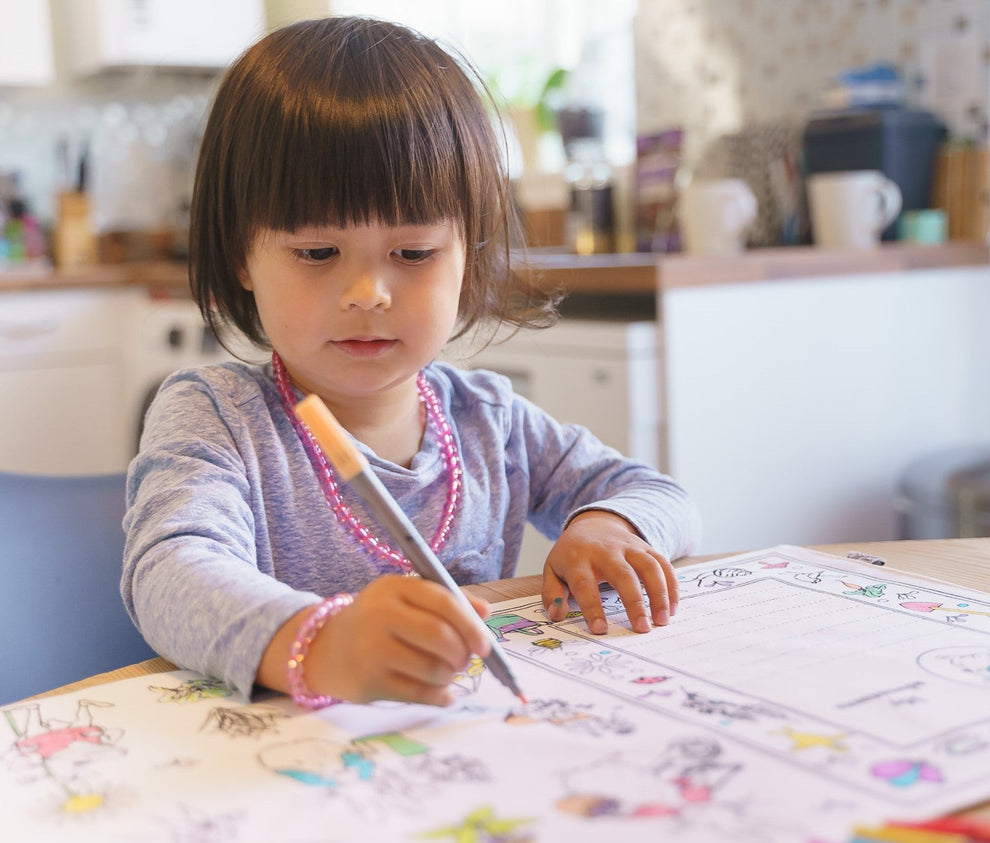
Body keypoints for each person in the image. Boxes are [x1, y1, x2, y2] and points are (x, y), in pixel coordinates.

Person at [122, 16, 701, 711]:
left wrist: (609, 526)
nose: (369, 293)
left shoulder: (488, 421)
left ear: (468, 256)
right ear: (242, 255)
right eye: (317, 253)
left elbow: (660, 495)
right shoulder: (216, 418)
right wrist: (319, 645)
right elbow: (170, 572)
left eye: (414, 253)